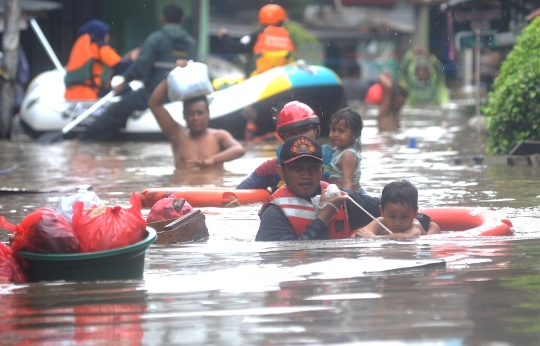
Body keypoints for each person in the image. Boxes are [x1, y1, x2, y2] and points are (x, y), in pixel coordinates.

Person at [79, 3, 197, 141]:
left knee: (116, 110)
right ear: (182, 20)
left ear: (163, 19)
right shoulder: (191, 43)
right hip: (181, 93)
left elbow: (140, 68)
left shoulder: (156, 38)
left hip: (154, 92)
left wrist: (123, 83)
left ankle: (83, 139)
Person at [255, 135, 382, 241]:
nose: (306, 175)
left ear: (321, 171)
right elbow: (289, 256)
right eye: (297, 168)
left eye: (313, 168)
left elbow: (386, 206)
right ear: (281, 172)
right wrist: (324, 218)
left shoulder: (340, 198)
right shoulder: (273, 214)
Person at [148, 76, 245, 170]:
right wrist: (169, 76)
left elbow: (239, 149)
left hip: (213, 186)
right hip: (183, 186)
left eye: (200, 113)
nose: (195, 118)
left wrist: (212, 159)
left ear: (208, 114)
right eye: (190, 113)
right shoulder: (176, 134)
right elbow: (154, 104)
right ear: (184, 115)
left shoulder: (219, 135)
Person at [236, 101, 333, 192]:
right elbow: (236, 194)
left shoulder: (337, 162)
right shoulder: (271, 168)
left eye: (304, 130)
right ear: (282, 138)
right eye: (291, 133)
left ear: (317, 130)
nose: (298, 138)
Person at [64, 19, 137, 101]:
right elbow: (119, 67)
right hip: (89, 95)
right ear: (100, 33)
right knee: (127, 90)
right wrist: (134, 59)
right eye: (107, 33)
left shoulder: (85, 45)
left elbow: (108, 69)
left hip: (71, 95)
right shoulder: (100, 46)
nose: (108, 36)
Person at [217, 4, 295, 77]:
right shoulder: (288, 37)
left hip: (259, 81)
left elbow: (234, 47)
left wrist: (225, 36)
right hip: (281, 81)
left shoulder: (258, 35)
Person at [351, 180, 440, 239]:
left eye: (404, 217)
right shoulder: (380, 223)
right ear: (382, 211)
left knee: (433, 227)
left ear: (414, 213)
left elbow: (408, 237)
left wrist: (375, 239)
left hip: (410, 254)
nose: (398, 223)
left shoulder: (415, 225)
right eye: (392, 216)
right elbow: (356, 236)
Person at [342, 62, 408, 132]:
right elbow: (388, 86)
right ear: (391, 98)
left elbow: (406, 92)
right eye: (398, 97)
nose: (401, 100)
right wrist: (380, 77)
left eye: (402, 98)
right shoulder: (385, 111)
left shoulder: (395, 112)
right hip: (385, 141)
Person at [328, 108, 363, 191]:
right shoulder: (337, 150)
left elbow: (348, 184)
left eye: (341, 131)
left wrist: (345, 203)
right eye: (333, 130)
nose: (335, 134)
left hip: (346, 197)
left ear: (354, 134)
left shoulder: (348, 155)